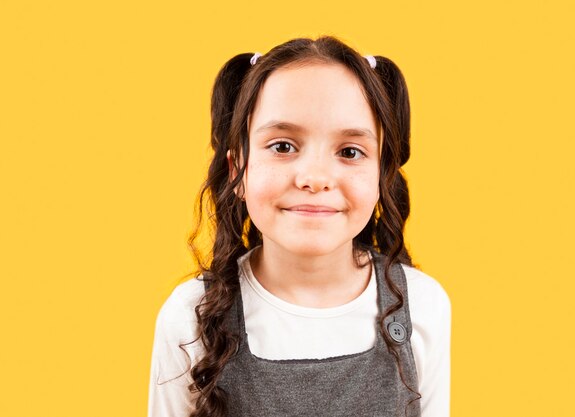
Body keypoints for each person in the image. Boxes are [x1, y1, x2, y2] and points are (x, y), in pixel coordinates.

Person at [148, 35, 451, 417]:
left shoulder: (424, 306)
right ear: (236, 170)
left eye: (350, 152)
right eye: (283, 146)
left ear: (381, 175)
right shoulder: (190, 313)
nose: (315, 177)